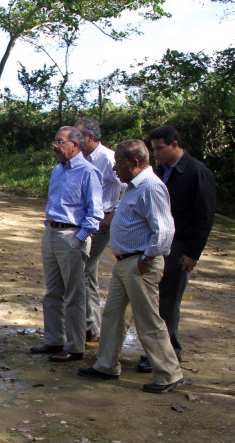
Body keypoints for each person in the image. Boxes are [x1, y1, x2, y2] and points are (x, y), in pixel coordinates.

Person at [77, 139, 184, 393]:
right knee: (113, 316)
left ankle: (169, 374)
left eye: (119, 163)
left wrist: (146, 260)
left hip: (140, 264)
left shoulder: (151, 187)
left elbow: (164, 230)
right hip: (126, 263)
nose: (114, 169)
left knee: (148, 320)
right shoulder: (134, 187)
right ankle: (106, 365)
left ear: (134, 162)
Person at [136, 125, 216, 372]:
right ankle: (159, 351)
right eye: (153, 149)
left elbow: (204, 217)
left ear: (175, 145)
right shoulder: (162, 171)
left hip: (180, 245)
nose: (156, 153)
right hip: (161, 242)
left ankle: (167, 355)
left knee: (168, 302)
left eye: (160, 148)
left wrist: (192, 254)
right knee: (156, 299)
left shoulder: (197, 172)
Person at [31, 126, 103, 362]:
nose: (56, 146)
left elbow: (95, 212)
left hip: (72, 236)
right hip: (52, 233)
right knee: (53, 292)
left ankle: (75, 346)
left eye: (60, 142)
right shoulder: (57, 170)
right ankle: (54, 340)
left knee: (74, 294)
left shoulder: (88, 172)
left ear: (75, 145)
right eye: (55, 141)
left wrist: (79, 238)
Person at [74, 118, 126, 343]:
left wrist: (113, 215)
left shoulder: (108, 158)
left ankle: (89, 326)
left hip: (100, 221)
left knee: (83, 270)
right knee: (89, 273)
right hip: (84, 221)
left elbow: (130, 187)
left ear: (91, 137)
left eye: (79, 137)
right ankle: (91, 326)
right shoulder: (81, 157)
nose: (75, 141)